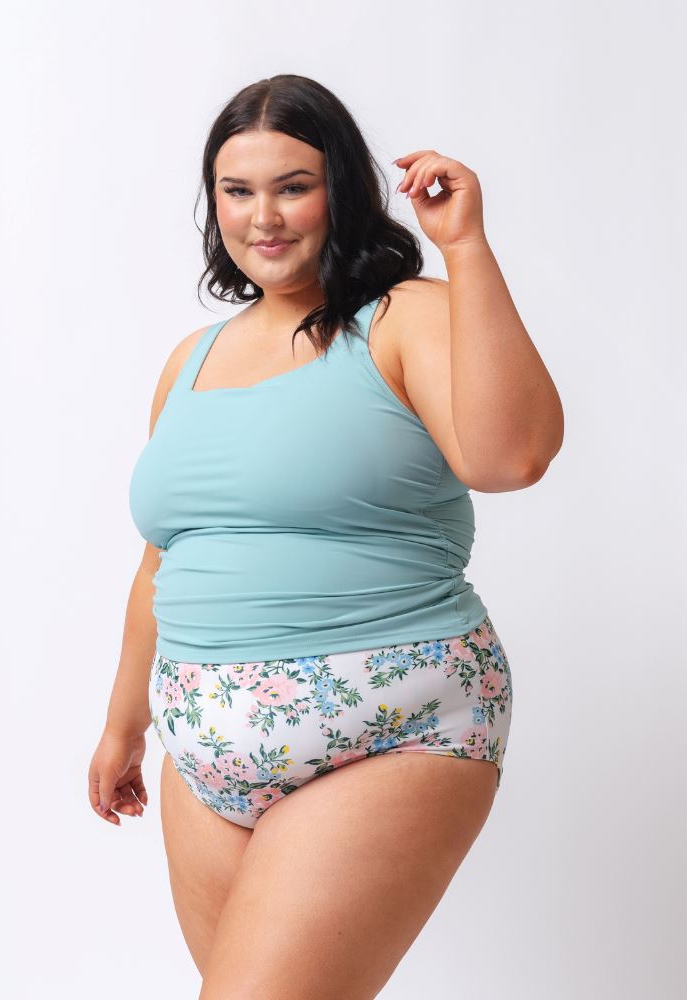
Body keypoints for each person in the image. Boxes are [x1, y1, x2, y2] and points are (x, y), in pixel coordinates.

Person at [87, 74, 563, 998]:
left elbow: (514, 457)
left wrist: (464, 248)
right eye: (238, 190)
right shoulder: (191, 360)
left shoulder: (403, 315)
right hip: (203, 758)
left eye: (293, 186)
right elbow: (163, 558)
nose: (262, 216)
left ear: (341, 189)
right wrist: (123, 724)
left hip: (391, 730)